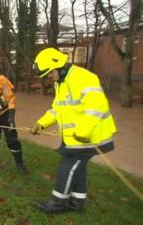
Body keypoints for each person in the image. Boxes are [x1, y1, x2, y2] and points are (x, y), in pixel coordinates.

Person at [30, 47, 117, 213]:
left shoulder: (83, 77)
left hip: (89, 136)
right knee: (78, 167)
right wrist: (41, 123)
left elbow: (97, 108)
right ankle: (77, 204)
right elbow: (57, 109)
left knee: (67, 165)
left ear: (59, 65)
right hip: (77, 136)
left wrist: (83, 132)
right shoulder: (61, 82)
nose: (49, 77)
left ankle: (57, 204)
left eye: (50, 73)